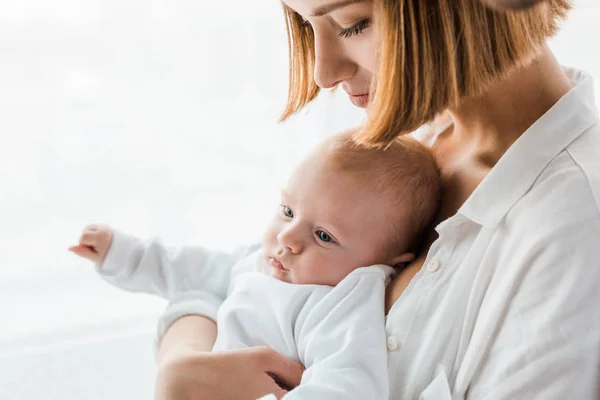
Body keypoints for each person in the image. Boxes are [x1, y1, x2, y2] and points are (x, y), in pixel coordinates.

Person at [108, 0, 600, 398]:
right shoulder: (407, 146)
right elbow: (252, 279)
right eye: (306, 24)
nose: (322, 72)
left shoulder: (573, 226)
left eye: (353, 24)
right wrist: (180, 359)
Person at [70, 132, 441, 399]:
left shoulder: (340, 301)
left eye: (324, 236)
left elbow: (346, 384)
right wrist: (123, 254)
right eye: (288, 211)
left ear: (387, 262)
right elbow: (190, 271)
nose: (288, 238)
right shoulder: (265, 262)